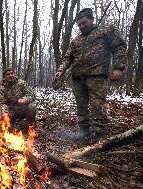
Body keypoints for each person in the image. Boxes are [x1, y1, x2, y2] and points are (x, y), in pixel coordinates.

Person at [54, 8, 127, 138]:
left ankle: (98, 132)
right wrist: (60, 70)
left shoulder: (105, 30)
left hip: (97, 76)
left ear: (91, 19)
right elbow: (67, 57)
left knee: (97, 105)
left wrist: (118, 67)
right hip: (78, 78)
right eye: (79, 24)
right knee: (81, 106)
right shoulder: (76, 40)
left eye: (84, 23)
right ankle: (84, 131)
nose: (81, 26)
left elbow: (119, 46)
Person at [0, 67, 36, 135]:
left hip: (23, 109)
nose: (11, 75)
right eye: (8, 74)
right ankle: (9, 128)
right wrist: (4, 113)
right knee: (2, 116)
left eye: (12, 73)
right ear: (4, 77)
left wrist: (25, 99)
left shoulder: (21, 83)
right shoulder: (2, 89)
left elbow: (32, 95)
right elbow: (2, 103)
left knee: (32, 107)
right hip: (11, 111)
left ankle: (28, 127)